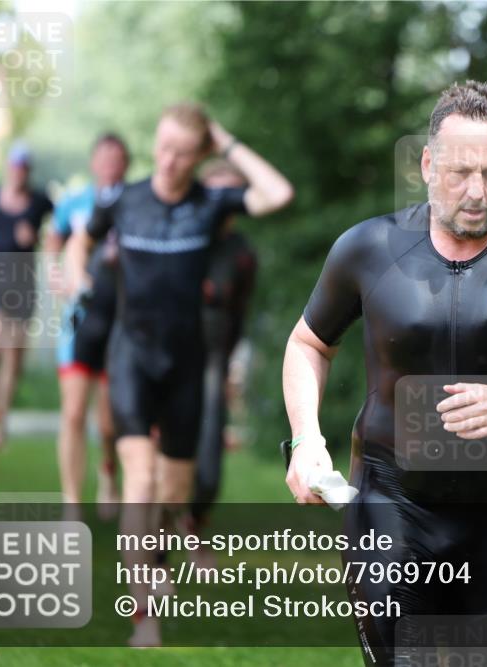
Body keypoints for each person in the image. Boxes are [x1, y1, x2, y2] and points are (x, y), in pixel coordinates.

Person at [281, 81, 487, 666]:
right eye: (461, 172)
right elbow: (309, 342)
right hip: (390, 500)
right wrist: (306, 440)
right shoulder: (369, 249)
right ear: (428, 164)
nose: (478, 191)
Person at [67, 102, 293, 647]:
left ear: (199, 155)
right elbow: (82, 237)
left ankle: (162, 549)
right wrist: (78, 277)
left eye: (182, 152)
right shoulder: (125, 200)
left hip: (186, 366)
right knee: (139, 483)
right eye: (162, 147)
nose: (167, 161)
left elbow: (277, 193)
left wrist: (226, 139)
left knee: (172, 492)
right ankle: (144, 617)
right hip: (131, 360)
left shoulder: (211, 204)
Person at [45, 133, 129, 514]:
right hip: (79, 321)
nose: (110, 163)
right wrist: (56, 274)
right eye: (104, 157)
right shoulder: (74, 203)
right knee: (74, 411)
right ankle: (72, 502)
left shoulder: (135, 203)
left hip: (121, 322)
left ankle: (108, 470)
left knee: (109, 421)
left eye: (117, 157)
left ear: (126, 164)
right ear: (94, 162)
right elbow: (53, 242)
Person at [0, 143, 54, 449]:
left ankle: (0, 416)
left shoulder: (41, 201)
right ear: (8, 167)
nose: (19, 172)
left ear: (28, 170)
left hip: (23, 283)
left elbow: (58, 234)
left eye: (24, 167)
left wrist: (36, 238)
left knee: (14, 358)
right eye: (15, 166)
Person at [191, 159, 257, 540]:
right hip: (166, 361)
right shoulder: (183, 240)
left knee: (209, 465)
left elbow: (240, 313)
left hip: (214, 363)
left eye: (234, 193)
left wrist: (232, 363)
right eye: (217, 192)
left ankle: (195, 521)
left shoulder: (243, 253)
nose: (224, 201)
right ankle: (154, 550)